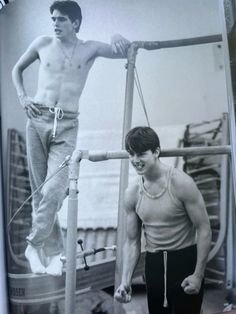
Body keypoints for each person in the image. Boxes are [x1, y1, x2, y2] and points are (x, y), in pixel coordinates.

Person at [12, 0, 130, 276]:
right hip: (37, 120)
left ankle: (33, 245)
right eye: (53, 18)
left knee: (54, 189)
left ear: (75, 23)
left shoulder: (89, 49)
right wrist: (22, 97)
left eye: (61, 19)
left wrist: (115, 36)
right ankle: (53, 256)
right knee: (41, 191)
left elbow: (122, 50)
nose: (55, 23)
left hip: (66, 125)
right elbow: (16, 69)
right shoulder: (42, 43)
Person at [114, 126, 212, 314]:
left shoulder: (181, 183)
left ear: (156, 152)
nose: (135, 160)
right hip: (154, 265)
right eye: (131, 154)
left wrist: (198, 275)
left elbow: (204, 228)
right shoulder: (132, 193)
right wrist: (125, 281)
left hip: (185, 262)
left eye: (141, 154)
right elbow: (132, 242)